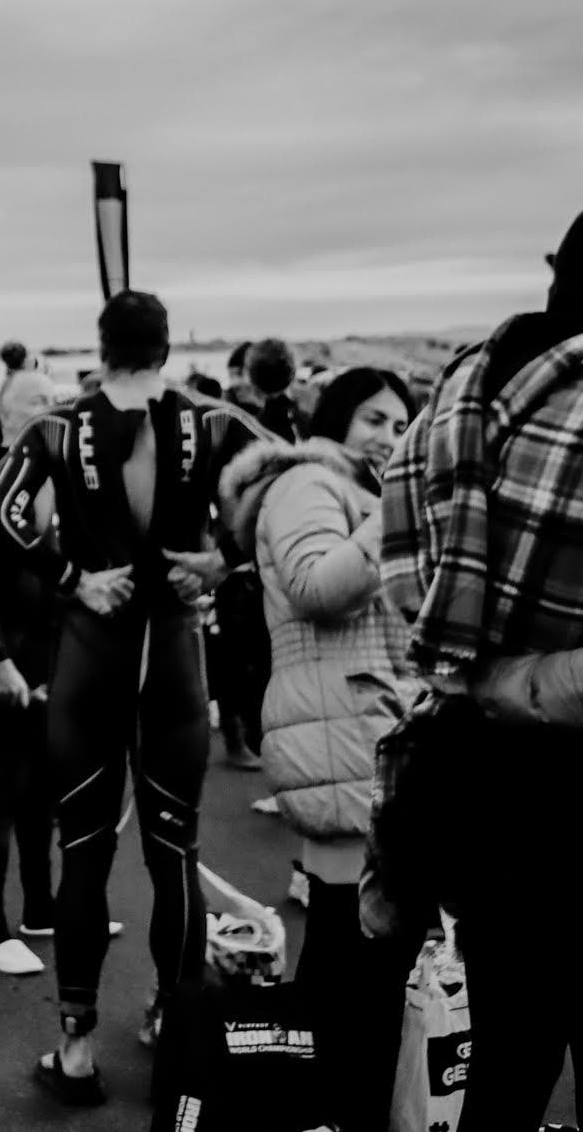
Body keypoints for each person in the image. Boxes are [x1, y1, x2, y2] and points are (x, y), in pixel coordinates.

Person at [0, 290, 265, 1104]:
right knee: (173, 851)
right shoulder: (212, 422)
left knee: (85, 851)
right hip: (174, 651)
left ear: (101, 348)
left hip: (93, 651)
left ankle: (73, 1051)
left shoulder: (58, 428)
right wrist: (225, 562)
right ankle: (178, 1043)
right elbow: (286, 484)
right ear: (168, 347)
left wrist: (70, 575)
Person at [382, 212, 583, 1132]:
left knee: (505, 1057)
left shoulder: (458, 397)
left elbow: (405, 589)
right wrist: (515, 679)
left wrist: (476, 669)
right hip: (564, 768)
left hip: (480, 787)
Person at [217, 366, 419, 1132]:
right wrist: (394, 511)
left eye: (401, 425)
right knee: (357, 954)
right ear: (334, 417)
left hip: (359, 726)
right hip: (342, 730)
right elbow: (315, 585)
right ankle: (338, 1105)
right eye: (373, 418)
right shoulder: (309, 484)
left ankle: (323, 1105)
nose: (389, 437)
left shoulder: (356, 490)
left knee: (351, 947)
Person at [0, 368, 61, 977]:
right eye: (36, 401)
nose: (50, 409)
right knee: (3, 791)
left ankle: (41, 909)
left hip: (55, 660)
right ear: (3, 413)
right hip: (9, 661)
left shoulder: (64, 480)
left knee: (44, 795)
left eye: (55, 400)